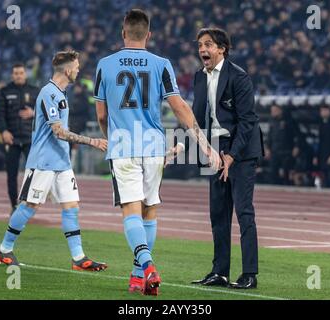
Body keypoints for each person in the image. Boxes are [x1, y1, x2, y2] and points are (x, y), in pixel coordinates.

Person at [94, 9, 220, 296]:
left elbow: (101, 115)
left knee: (131, 210)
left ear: (123, 33)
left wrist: (109, 138)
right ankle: (137, 278)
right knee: (150, 210)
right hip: (152, 145)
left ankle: (147, 266)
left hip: (124, 145)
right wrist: (204, 144)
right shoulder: (161, 64)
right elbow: (179, 107)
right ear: (148, 35)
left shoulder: (104, 64)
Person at [0, 50, 109, 272]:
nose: (78, 70)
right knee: (30, 205)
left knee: (71, 207)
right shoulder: (48, 93)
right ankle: (4, 249)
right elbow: (58, 131)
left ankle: (78, 257)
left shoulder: (61, 93)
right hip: (43, 162)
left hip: (62, 163)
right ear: (67, 70)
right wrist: (91, 141)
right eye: (76, 67)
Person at [190, 28, 264, 289]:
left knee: (244, 212)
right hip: (214, 150)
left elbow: (248, 121)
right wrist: (181, 145)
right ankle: (219, 272)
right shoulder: (199, 77)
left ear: (222, 48)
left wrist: (231, 156)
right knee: (218, 214)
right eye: (200, 45)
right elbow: (197, 119)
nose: (202, 50)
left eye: (208, 44)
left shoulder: (239, 77)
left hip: (241, 152)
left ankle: (249, 274)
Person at [0, 63, 39, 213]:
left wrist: (34, 113)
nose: (18, 75)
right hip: (11, 139)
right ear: (12, 75)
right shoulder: (4, 92)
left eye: (21, 73)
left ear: (25, 74)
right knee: (11, 174)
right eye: (16, 73)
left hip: (29, 139)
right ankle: (14, 205)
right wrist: (3, 131)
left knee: (34, 172)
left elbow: (46, 112)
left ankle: (28, 202)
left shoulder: (35, 91)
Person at [266, 105, 300, 185]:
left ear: (280, 110)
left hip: (286, 150)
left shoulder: (289, 121)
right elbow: (269, 136)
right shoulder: (272, 121)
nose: (272, 113)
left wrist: (296, 147)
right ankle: (274, 188)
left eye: (274, 110)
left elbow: (297, 135)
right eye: (271, 111)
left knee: (286, 171)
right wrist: (267, 148)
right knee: (273, 171)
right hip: (275, 150)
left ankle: (286, 187)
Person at [313, 105, 330, 188]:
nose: (323, 113)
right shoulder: (321, 124)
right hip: (322, 154)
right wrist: (316, 156)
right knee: (324, 177)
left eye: (325, 110)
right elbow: (320, 141)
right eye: (322, 111)